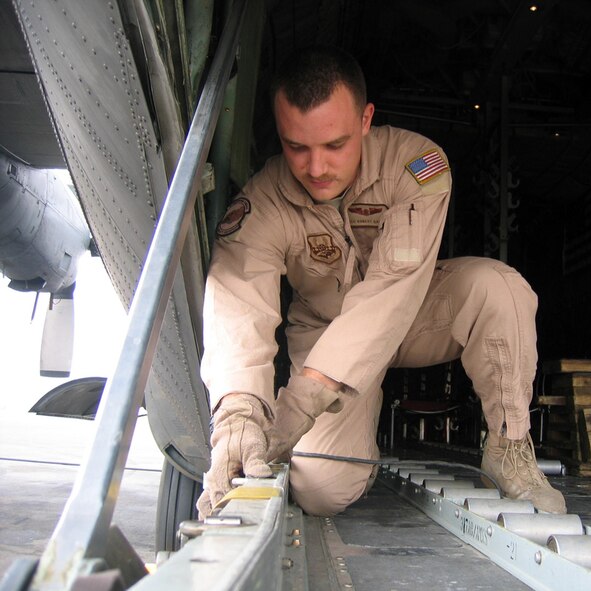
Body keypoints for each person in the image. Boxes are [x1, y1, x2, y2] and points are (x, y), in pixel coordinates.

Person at [197, 45, 566, 518]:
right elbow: (238, 302)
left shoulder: (418, 165)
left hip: (415, 313)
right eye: (297, 147)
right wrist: (240, 409)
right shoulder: (263, 202)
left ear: (367, 119)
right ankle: (360, 456)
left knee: (501, 289)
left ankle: (511, 448)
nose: (315, 168)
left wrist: (296, 407)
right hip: (325, 334)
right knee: (321, 490)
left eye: (335, 145)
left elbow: (395, 286)